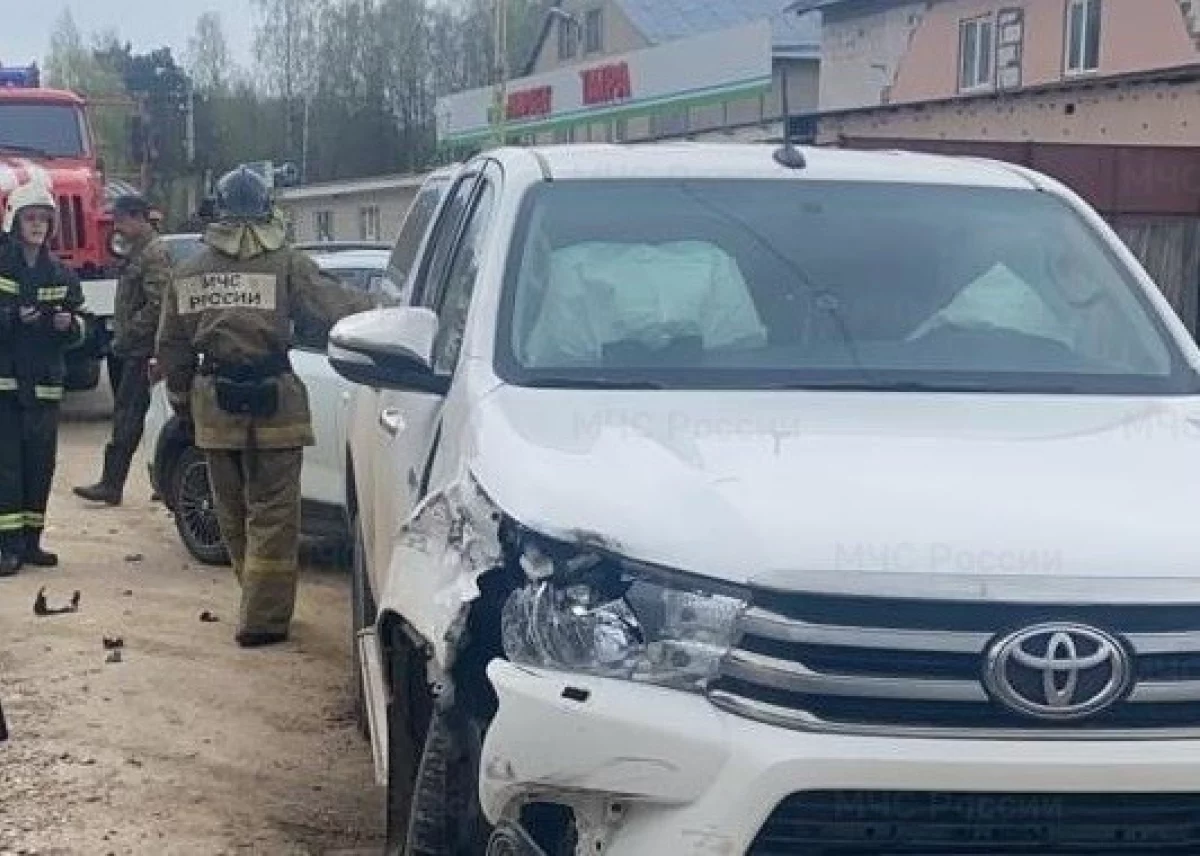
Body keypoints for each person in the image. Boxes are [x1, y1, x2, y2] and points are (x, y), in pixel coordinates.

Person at [156, 166, 372, 647]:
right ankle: (263, 619)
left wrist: (183, 404)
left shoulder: (188, 272)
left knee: (231, 513)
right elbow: (335, 306)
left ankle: (255, 600)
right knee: (273, 515)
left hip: (216, 410)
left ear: (217, 212)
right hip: (276, 406)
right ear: (267, 209)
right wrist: (392, 306)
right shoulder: (286, 263)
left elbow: (171, 347)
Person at [0, 181, 88, 575]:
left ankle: (32, 543)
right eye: (30, 218)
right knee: (7, 468)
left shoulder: (61, 273)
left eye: (43, 219)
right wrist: (11, 318)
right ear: (15, 222)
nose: (37, 225)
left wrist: (70, 326)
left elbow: (86, 331)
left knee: (40, 466)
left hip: (45, 389)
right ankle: (8, 548)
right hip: (5, 388)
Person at [74, 195, 173, 506]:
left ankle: (112, 484)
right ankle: (137, 482)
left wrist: (130, 333)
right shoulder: (139, 251)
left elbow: (158, 305)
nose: (116, 227)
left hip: (145, 350)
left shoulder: (153, 254)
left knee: (130, 416)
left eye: (120, 220)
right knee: (134, 415)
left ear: (137, 217)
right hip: (138, 348)